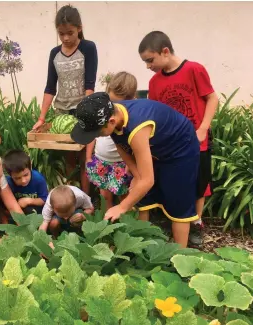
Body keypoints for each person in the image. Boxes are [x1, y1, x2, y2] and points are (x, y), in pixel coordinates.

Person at [71, 92, 200, 248]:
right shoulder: (115, 114)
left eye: (97, 133)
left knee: (178, 203)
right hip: (157, 148)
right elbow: (121, 145)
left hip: (181, 150)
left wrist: (122, 206)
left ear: (111, 121)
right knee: (142, 197)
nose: (96, 137)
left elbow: (148, 180)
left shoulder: (137, 128)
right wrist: (136, 175)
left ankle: (180, 254)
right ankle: (140, 245)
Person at [138, 31, 219, 246]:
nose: (148, 65)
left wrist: (203, 128)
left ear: (165, 51)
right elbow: (155, 113)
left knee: (198, 184)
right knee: (174, 183)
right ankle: (176, 219)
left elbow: (212, 98)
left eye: (150, 60)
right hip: (170, 147)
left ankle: (196, 223)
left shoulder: (194, 69)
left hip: (197, 141)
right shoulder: (154, 82)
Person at [32, 4, 98, 194]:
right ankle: (72, 200)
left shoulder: (88, 48)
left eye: (70, 32)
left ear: (79, 28)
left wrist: (86, 113)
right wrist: (41, 118)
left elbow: (90, 83)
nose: (66, 38)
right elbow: (50, 86)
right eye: (61, 34)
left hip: (83, 108)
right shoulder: (54, 53)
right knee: (69, 157)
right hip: (62, 110)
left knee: (85, 156)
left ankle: (87, 199)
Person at [86, 72, 136, 209]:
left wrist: (130, 164)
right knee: (105, 196)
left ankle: (126, 226)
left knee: (124, 196)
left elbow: (134, 143)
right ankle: (108, 225)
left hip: (121, 163)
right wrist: (88, 156)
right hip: (101, 160)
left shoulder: (133, 116)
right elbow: (92, 133)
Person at [3, 149, 48, 214]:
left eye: (26, 175)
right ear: (10, 175)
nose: (23, 181)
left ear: (30, 168)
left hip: (37, 212)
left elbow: (44, 200)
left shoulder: (38, 179)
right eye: (17, 178)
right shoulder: (8, 183)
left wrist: (29, 201)